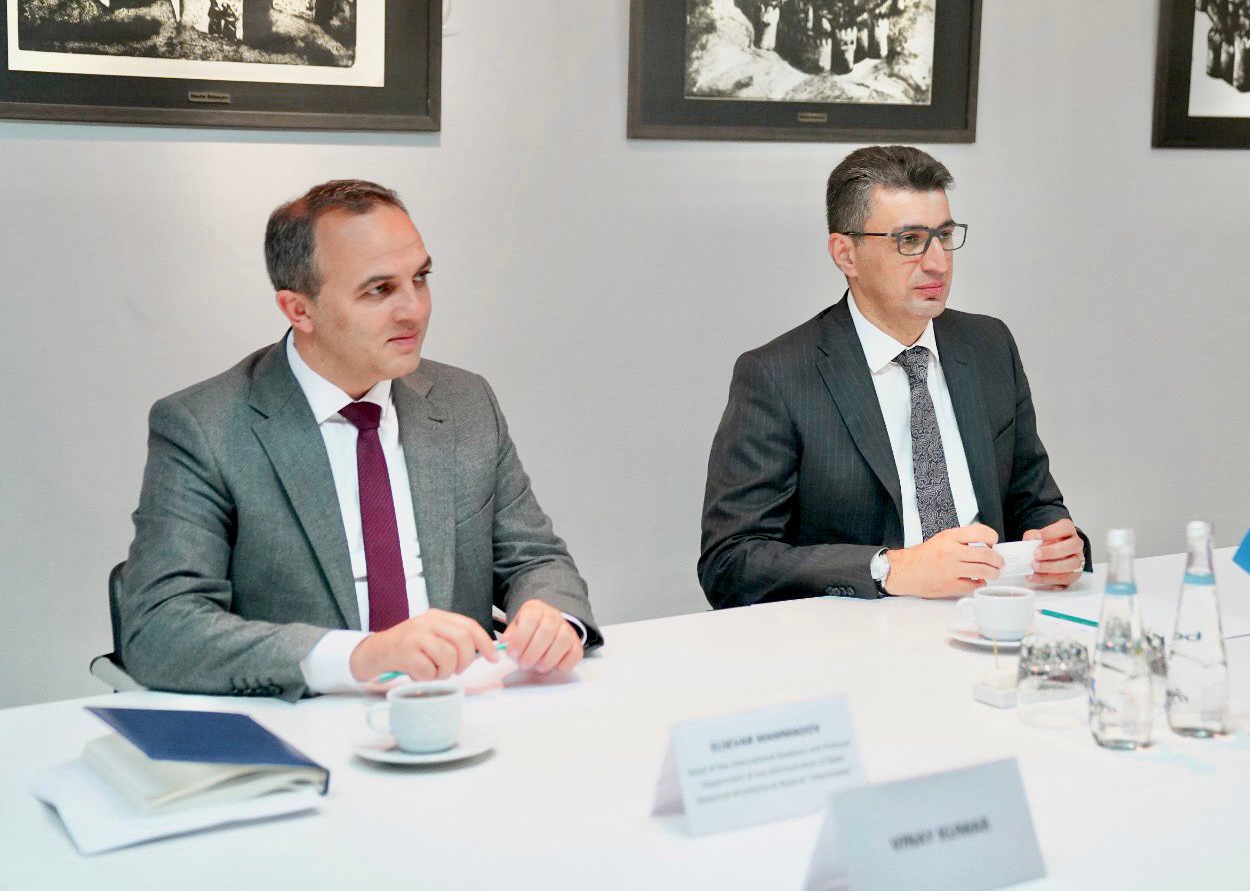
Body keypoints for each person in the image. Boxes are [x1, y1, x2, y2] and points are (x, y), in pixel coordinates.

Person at [121, 180, 600, 700]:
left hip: (463, 710)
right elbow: (161, 628)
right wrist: (359, 656)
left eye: (420, 279)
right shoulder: (204, 427)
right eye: (379, 290)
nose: (414, 310)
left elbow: (536, 560)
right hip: (309, 719)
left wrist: (552, 616)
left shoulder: (465, 403)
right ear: (299, 310)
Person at [699, 146, 1088, 609]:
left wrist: (1057, 544)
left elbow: (1033, 500)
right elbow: (731, 563)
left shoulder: (989, 345)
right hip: (864, 631)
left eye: (945, 236)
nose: (938, 262)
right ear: (846, 253)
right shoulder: (777, 375)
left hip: (992, 616)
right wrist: (891, 569)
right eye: (910, 240)